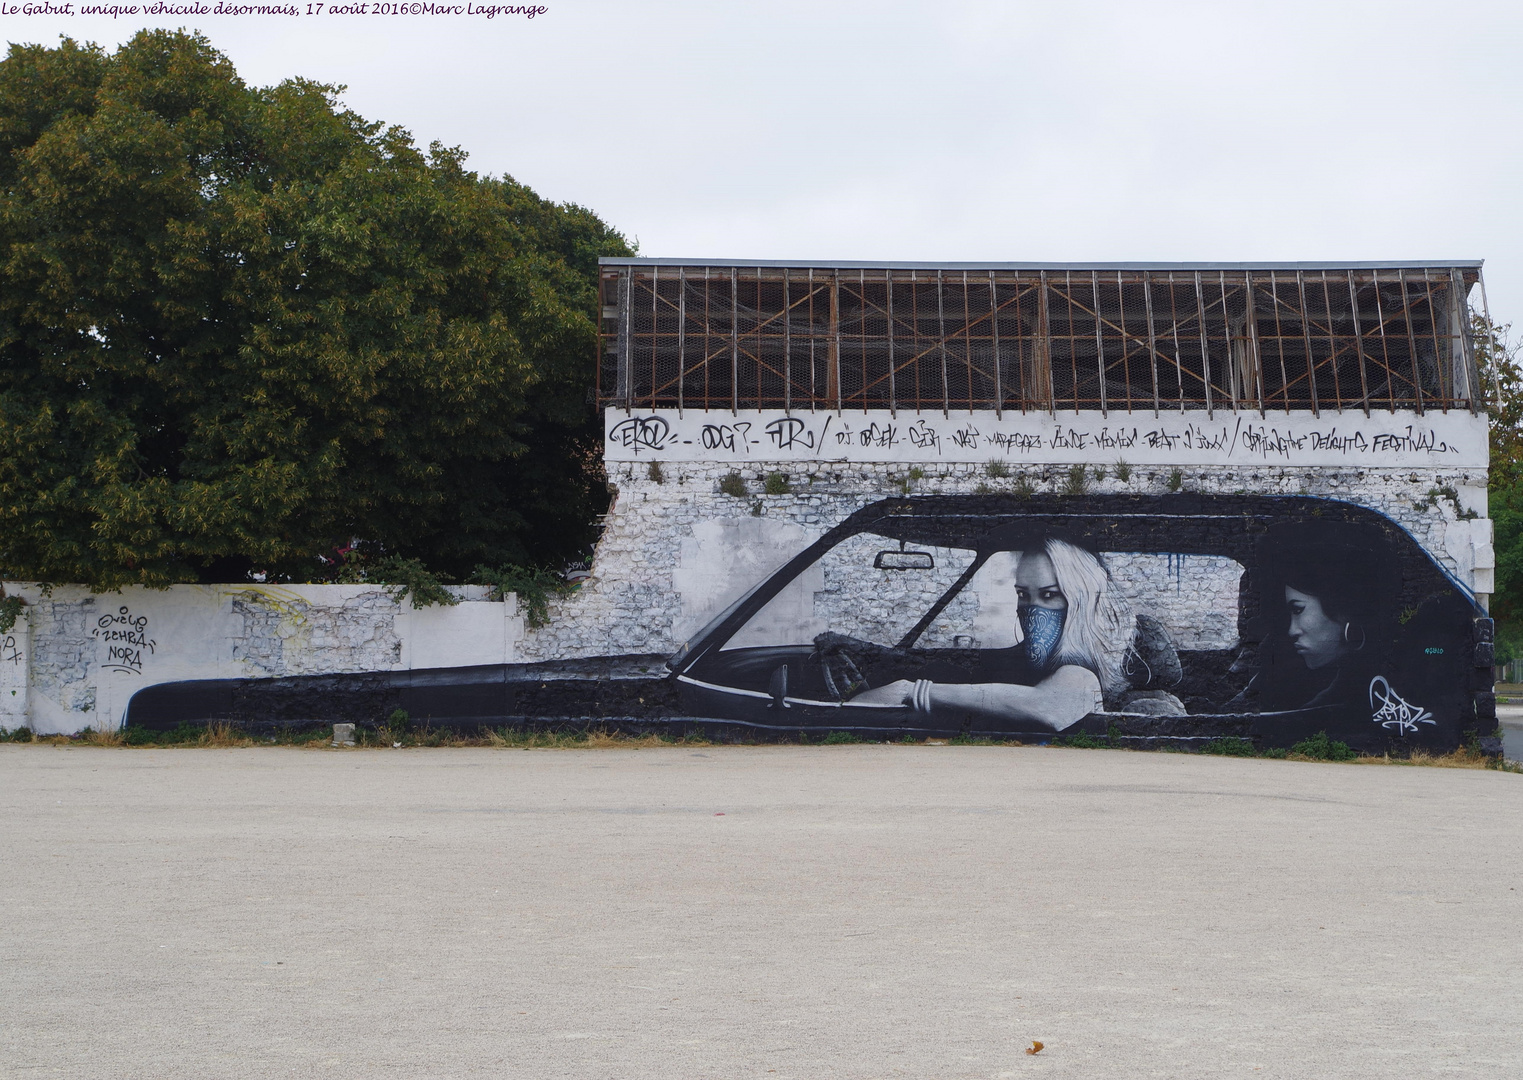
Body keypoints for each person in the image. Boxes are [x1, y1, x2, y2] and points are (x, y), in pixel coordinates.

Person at [850, 537, 1134, 730]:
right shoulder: (1024, 662)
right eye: (1023, 595)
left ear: (1078, 601)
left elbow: (1052, 706)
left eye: (1049, 595)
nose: (1032, 609)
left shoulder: (1079, 672)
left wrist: (912, 691)